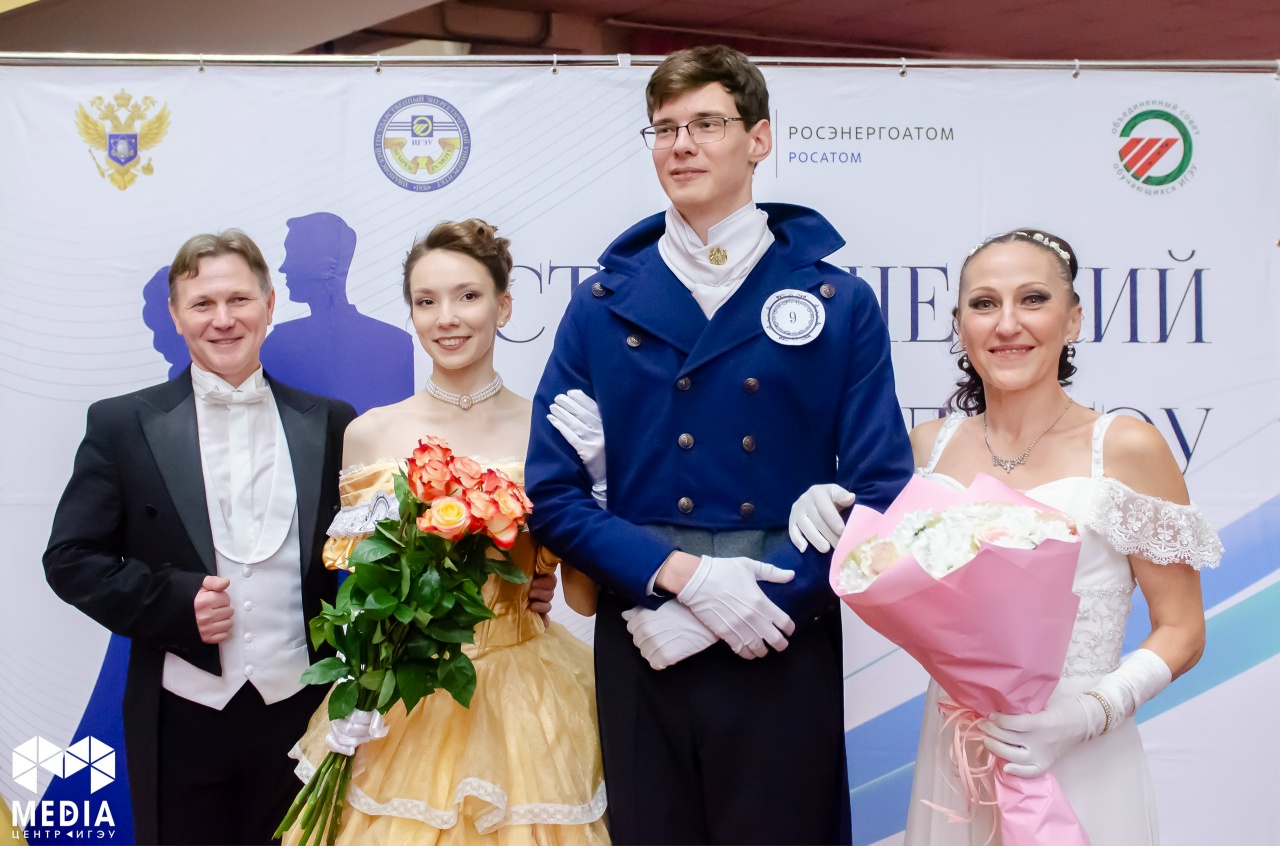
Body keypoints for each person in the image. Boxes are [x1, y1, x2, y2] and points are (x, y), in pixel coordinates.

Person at [525, 45, 913, 846]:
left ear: (758, 139)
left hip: (782, 633)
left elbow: (881, 490)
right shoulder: (601, 305)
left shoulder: (837, 301)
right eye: (665, 129)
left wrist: (759, 606)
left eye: (707, 124)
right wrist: (683, 584)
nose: (682, 146)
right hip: (645, 634)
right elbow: (554, 495)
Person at [792, 229, 1222, 845]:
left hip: (1083, 749)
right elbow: (877, 559)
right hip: (960, 745)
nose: (1007, 323)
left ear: (1073, 320)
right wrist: (830, 507)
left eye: (1033, 299)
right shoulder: (923, 450)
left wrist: (1086, 715)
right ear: (960, 326)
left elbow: (1183, 628)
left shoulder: (1125, 447)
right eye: (985, 303)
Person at [283, 219, 607, 846]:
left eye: (468, 296)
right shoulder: (369, 433)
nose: (447, 318)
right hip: (403, 696)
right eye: (426, 301)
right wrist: (360, 684)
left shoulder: (550, 431)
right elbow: (362, 588)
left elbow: (583, 598)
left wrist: (597, 490)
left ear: (503, 306)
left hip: (525, 690)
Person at [43, 230, 357, 846]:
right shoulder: (120, 424)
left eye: (238, 299)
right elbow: (70, 559)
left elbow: (377, 550)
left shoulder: (331, 422)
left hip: (304, 711)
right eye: (202, 304)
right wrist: (171, 599)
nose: (223, 319)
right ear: (175, 315)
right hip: (180, 715)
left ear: (269, 304)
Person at [260, 212, 416, 414]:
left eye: (293, 256)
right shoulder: (395, 342)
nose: (283, 268)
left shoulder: (278, 345)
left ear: (319, 264)